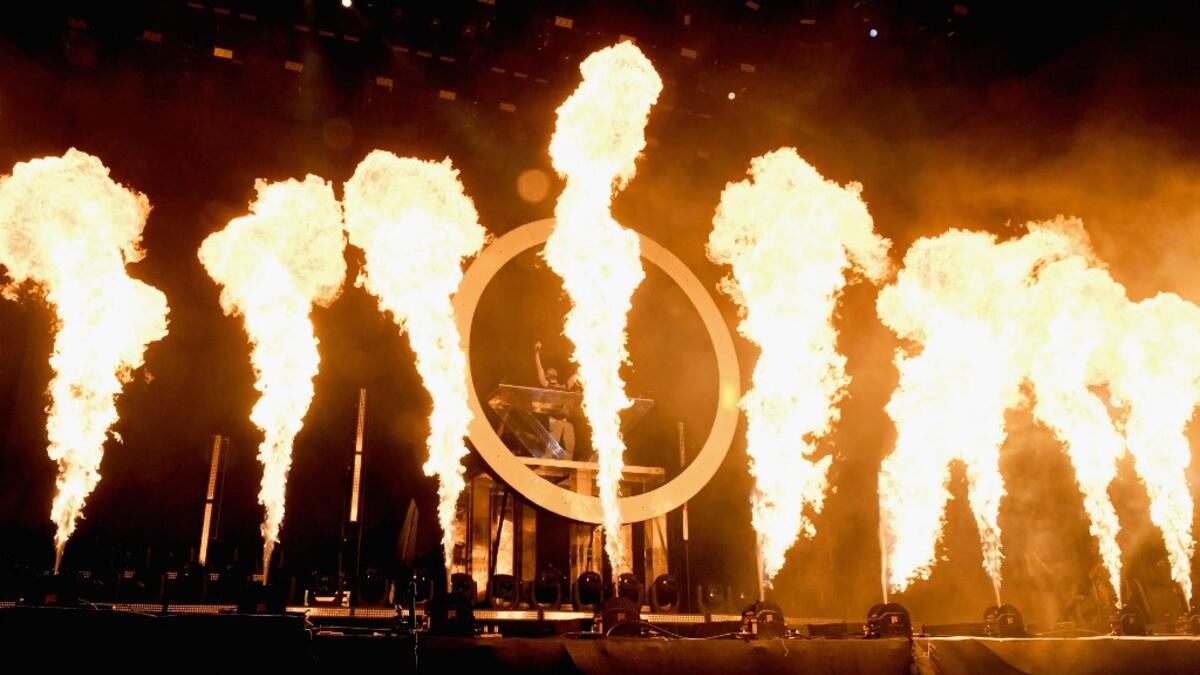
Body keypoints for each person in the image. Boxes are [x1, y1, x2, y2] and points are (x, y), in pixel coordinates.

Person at [535, 341, 579, 458]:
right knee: (552, 447)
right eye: (549, 370)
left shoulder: (564, 387)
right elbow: (539, 368)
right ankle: (546, 463)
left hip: (566, 420)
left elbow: (576, 375)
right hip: (555, 420)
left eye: (553, 370)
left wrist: (582, 359)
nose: (552, 370)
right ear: (547, 375)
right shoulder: (546, 385)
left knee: (570, 445)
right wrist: (537, 352)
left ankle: (567, 464)